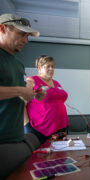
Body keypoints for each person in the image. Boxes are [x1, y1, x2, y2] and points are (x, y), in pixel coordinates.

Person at [0, 13, 41, 178]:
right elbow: (16, 91)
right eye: (21, 34)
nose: (25, 39)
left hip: (16, 136)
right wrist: (19, 90)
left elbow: (20, 97)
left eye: (27, 36)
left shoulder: (17, 63)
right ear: (2, 28)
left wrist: (30, 93)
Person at [24, 55, 69, 144]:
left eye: (52, 66)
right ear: (39, 68)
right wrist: (27, 125)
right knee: (41, 157)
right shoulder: (32, 81)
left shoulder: (56, 83)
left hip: (60, 128)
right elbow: (20, 104)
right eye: (47, 66)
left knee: (60, 156)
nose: (51, 69)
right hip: (40, 130)